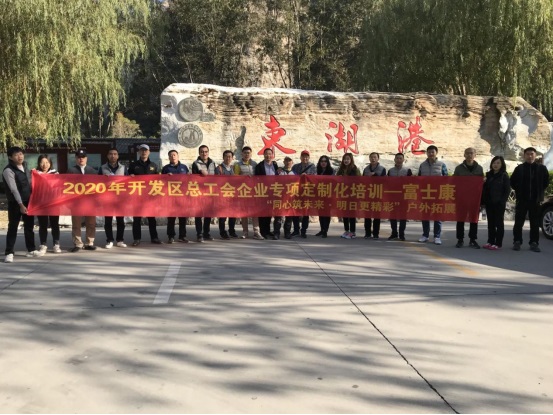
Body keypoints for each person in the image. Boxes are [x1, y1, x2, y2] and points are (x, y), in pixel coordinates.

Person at [3, 146, 42, 263]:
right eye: (16, 155)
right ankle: (9, 252)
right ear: (10, 157)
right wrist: (21, 205)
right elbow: (13, 189)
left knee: (29, 226)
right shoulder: (8, 170)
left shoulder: (25, 166)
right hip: (15, 203)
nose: (19, 157)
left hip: (28, 201)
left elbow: (30, 183)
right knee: (13, 227)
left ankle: (31, 249)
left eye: (21, 154)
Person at [510, 147, 550, 252]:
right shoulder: (519, 168)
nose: (530, 156)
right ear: (524, 155)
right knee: (518, 223)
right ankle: (517, 241)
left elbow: (545, 182)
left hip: (536, 201)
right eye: (527, 154)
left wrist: (539, 193)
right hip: (522, 200)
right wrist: (519, 192)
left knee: (535, 223)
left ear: (535, 155)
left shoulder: (542, 168)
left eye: (532, 154)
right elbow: (512, 182)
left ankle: (534, 243)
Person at [128, 144, 162, 246]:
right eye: (142, 150)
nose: (144, 152)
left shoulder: (153, 165)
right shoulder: (133, 165)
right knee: (137, 219)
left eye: (146, 150)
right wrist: (130, 176)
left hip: (150, 197)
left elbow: (159, 179)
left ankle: (154, 237)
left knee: (151, 218)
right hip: (137, 196)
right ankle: (137, 239)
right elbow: (127, 179)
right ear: (139, 152)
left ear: (149, 152)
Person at [67, 149, 98, 252]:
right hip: (75, 202)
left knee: (91, 223)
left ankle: (90, 242)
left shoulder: (92, 171)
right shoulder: (71, 171)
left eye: (83, 157)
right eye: (79, 157)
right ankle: (78, 243)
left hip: (90, 201)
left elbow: (98, 186)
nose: (81, 159)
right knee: (76, 223)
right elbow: (66, 186)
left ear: (86, 158)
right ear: (76, 158)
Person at [453, 147, 484, 248]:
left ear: (475, 155)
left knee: (473, 219)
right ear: (464, 155)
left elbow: (481, 184)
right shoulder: (458, 168)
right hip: (461, 198)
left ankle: (472, 239)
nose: (469, 155)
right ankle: (460, 239)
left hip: (474, 199)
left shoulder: (479, 168)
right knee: (460, 219)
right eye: (467, 153)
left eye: (471, 153)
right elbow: (454, 183)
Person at [417, 145, 448, 245]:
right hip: (425, 194)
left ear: (436, 153)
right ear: (426, 153)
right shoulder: (422, 165)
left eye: (432, 152)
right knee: (425, 215)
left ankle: (437, 236)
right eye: (429, 152)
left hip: (438, 194)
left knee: (437, 215)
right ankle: (425, 235)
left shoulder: (441, 165)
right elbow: (419, 179)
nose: (430, 154)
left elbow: (446, 179)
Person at [99, 148, 128, 249]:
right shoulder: (102, 168)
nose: (113, 156)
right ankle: (109, 240)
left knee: (120, 220)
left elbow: (128, 182)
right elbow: (97, 182)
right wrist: (103, 179)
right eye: (111, 154)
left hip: (120, 199)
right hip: (107, 198)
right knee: (108, 221)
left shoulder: (123, 168)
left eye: (115, 154)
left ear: (118, 156)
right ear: (107, 156)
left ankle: (120, 240)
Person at [481, 156, 510, 250]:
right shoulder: (488, 175)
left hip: (499, 203)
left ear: (502, 164)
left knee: (499, 223)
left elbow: (507, 190)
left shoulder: (504, 175)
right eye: (494, 163)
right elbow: (485, 189)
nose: (495, 165)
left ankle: (498, 243)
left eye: (498, 163)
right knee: (490, 223)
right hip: (489, 203)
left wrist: (502, 201)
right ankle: (490, 241)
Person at [234, 146, 262, 239]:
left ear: (251, 154)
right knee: (244, 213)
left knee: (255, 213)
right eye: (245, 153)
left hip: (253, 192)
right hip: (243, 192)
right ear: (242, 154)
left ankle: (256, 232)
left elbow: (259, 177)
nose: (247, 154)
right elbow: (234, 178)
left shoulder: (254, 164)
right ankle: (245, 232)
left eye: (248, 153)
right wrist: (243, 178)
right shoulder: (237, 165)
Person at [161, 150, 190, 244]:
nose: (173, 156)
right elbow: (161, 182)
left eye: (174, 155)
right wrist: (166, 177)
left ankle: (182, 236)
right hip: (171, 197)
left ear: (178, 156)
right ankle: (171, 236)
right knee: (171, 218)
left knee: (182, 218)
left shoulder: (184, 167)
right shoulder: (166, 168)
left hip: (182, 197)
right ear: (169, 157)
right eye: (171, 155)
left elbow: (189, 180)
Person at [35, 155, 61, 253]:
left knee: (55, 224)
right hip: (41, 203)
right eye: (42, 162)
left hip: (54, 203)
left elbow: (59, 188)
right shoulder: (35, 174)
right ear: (39, 163)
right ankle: (43, 245)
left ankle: (56, 244)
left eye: (47, 162)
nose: (44, 165)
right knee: (43, 224)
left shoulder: (55, 174)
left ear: (50, 163)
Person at [192, 145, 217, 242]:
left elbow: (216, 177)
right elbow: (193, 178)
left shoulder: (212, 163)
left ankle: (206, 232)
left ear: (208, 152)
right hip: (199, 192)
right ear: (199, 153)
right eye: (202, 151)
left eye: (206, 151)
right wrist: (200, 172)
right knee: (198, 214)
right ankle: (199, 234)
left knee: (208, 213)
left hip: (210, 192)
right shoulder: (195, 163)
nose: (204, 153)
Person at [255, 148, 279, 239]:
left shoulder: (275, 165)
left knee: (269, 212)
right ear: (264, 155)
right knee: (262, 212)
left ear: (272, 155)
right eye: (266, 154)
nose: (268, 156)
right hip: (263, 191)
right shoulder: (259, 166)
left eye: (270, 154)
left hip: (273, 191)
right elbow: (256, 179)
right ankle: (263, 231)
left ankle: (268, 230)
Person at [291, 150, 316, 238]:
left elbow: (315, 177)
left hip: (307, 192)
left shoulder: (312, 166)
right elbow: (291, 176)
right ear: (300, 157)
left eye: (306, 157)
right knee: (295, 212)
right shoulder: (295, 166)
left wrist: (307, 175)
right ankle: (296, 230)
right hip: (296, 192)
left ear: (309, 158)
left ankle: (303, 231)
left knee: (306, 212)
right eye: (303, 156)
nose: (305, 158)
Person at [387, 153, 412, 241]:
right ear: (394, 160)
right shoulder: (390, 171)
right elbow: (387, 183)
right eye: (397, 158)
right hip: (393, 196)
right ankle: (394, 233)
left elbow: (411, 183)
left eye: (400, 158)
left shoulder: (407, 170)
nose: (398, 160)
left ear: (403, 160)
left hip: (403, 196)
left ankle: (401, 234)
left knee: (403, 215)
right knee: (392, 215)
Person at [362, 152, 387, 239]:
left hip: (377, 194)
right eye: (371, 157)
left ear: (378, 158)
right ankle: (367, 233)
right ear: (369, 159)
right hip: (368, 194)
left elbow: (384, 181)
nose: (373, 159)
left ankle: (376, 233)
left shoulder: (382, 169)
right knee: (367, 215)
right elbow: (362, 181)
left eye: (375, 157)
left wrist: (375, 175)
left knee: (377, 215)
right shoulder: (366, 169)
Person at [336, 153, 360, 239]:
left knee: (352, 213)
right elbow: (336, 179)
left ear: (351, 160)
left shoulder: (355, 169)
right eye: (345, 159)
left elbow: (358, 180)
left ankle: (352, 232)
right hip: (343, 194)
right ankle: (346, 230)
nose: (346, 161)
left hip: (352, 194)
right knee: (345, 213)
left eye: (348, 159)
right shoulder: (341, 169)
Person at [216, 150, 238, 239]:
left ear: (232, 158)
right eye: (226, 156)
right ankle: (222, 232)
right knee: (223, 215)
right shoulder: (219, 168)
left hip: (232, 195)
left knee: (233, 214)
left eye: (230, 156)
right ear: (223, 157)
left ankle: (232, 230)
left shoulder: (233, 168)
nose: (228, 158)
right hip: (222, 195)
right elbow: (216, 181)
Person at [315, 155, 334, 238]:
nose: (323, 163)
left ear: (327, 162)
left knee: (326, 213)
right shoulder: (317, 170)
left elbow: (334, 182)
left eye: (325, 161)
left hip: (328, 195)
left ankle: (325, 230)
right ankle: (322, 229)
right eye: (322, 161)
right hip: (319, 194)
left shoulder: (331, 171)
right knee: (320, 213)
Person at [278, 156, 297, 239]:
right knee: (278, 216)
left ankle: (287, 232)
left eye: (289, 161)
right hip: (280, 197)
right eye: (286, 160)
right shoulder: (279, 172)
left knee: (289, 216)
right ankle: (276, 232)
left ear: (292, 162)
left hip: (290, 198)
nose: (288, 162)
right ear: (284, 162)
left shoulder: (295, 173)